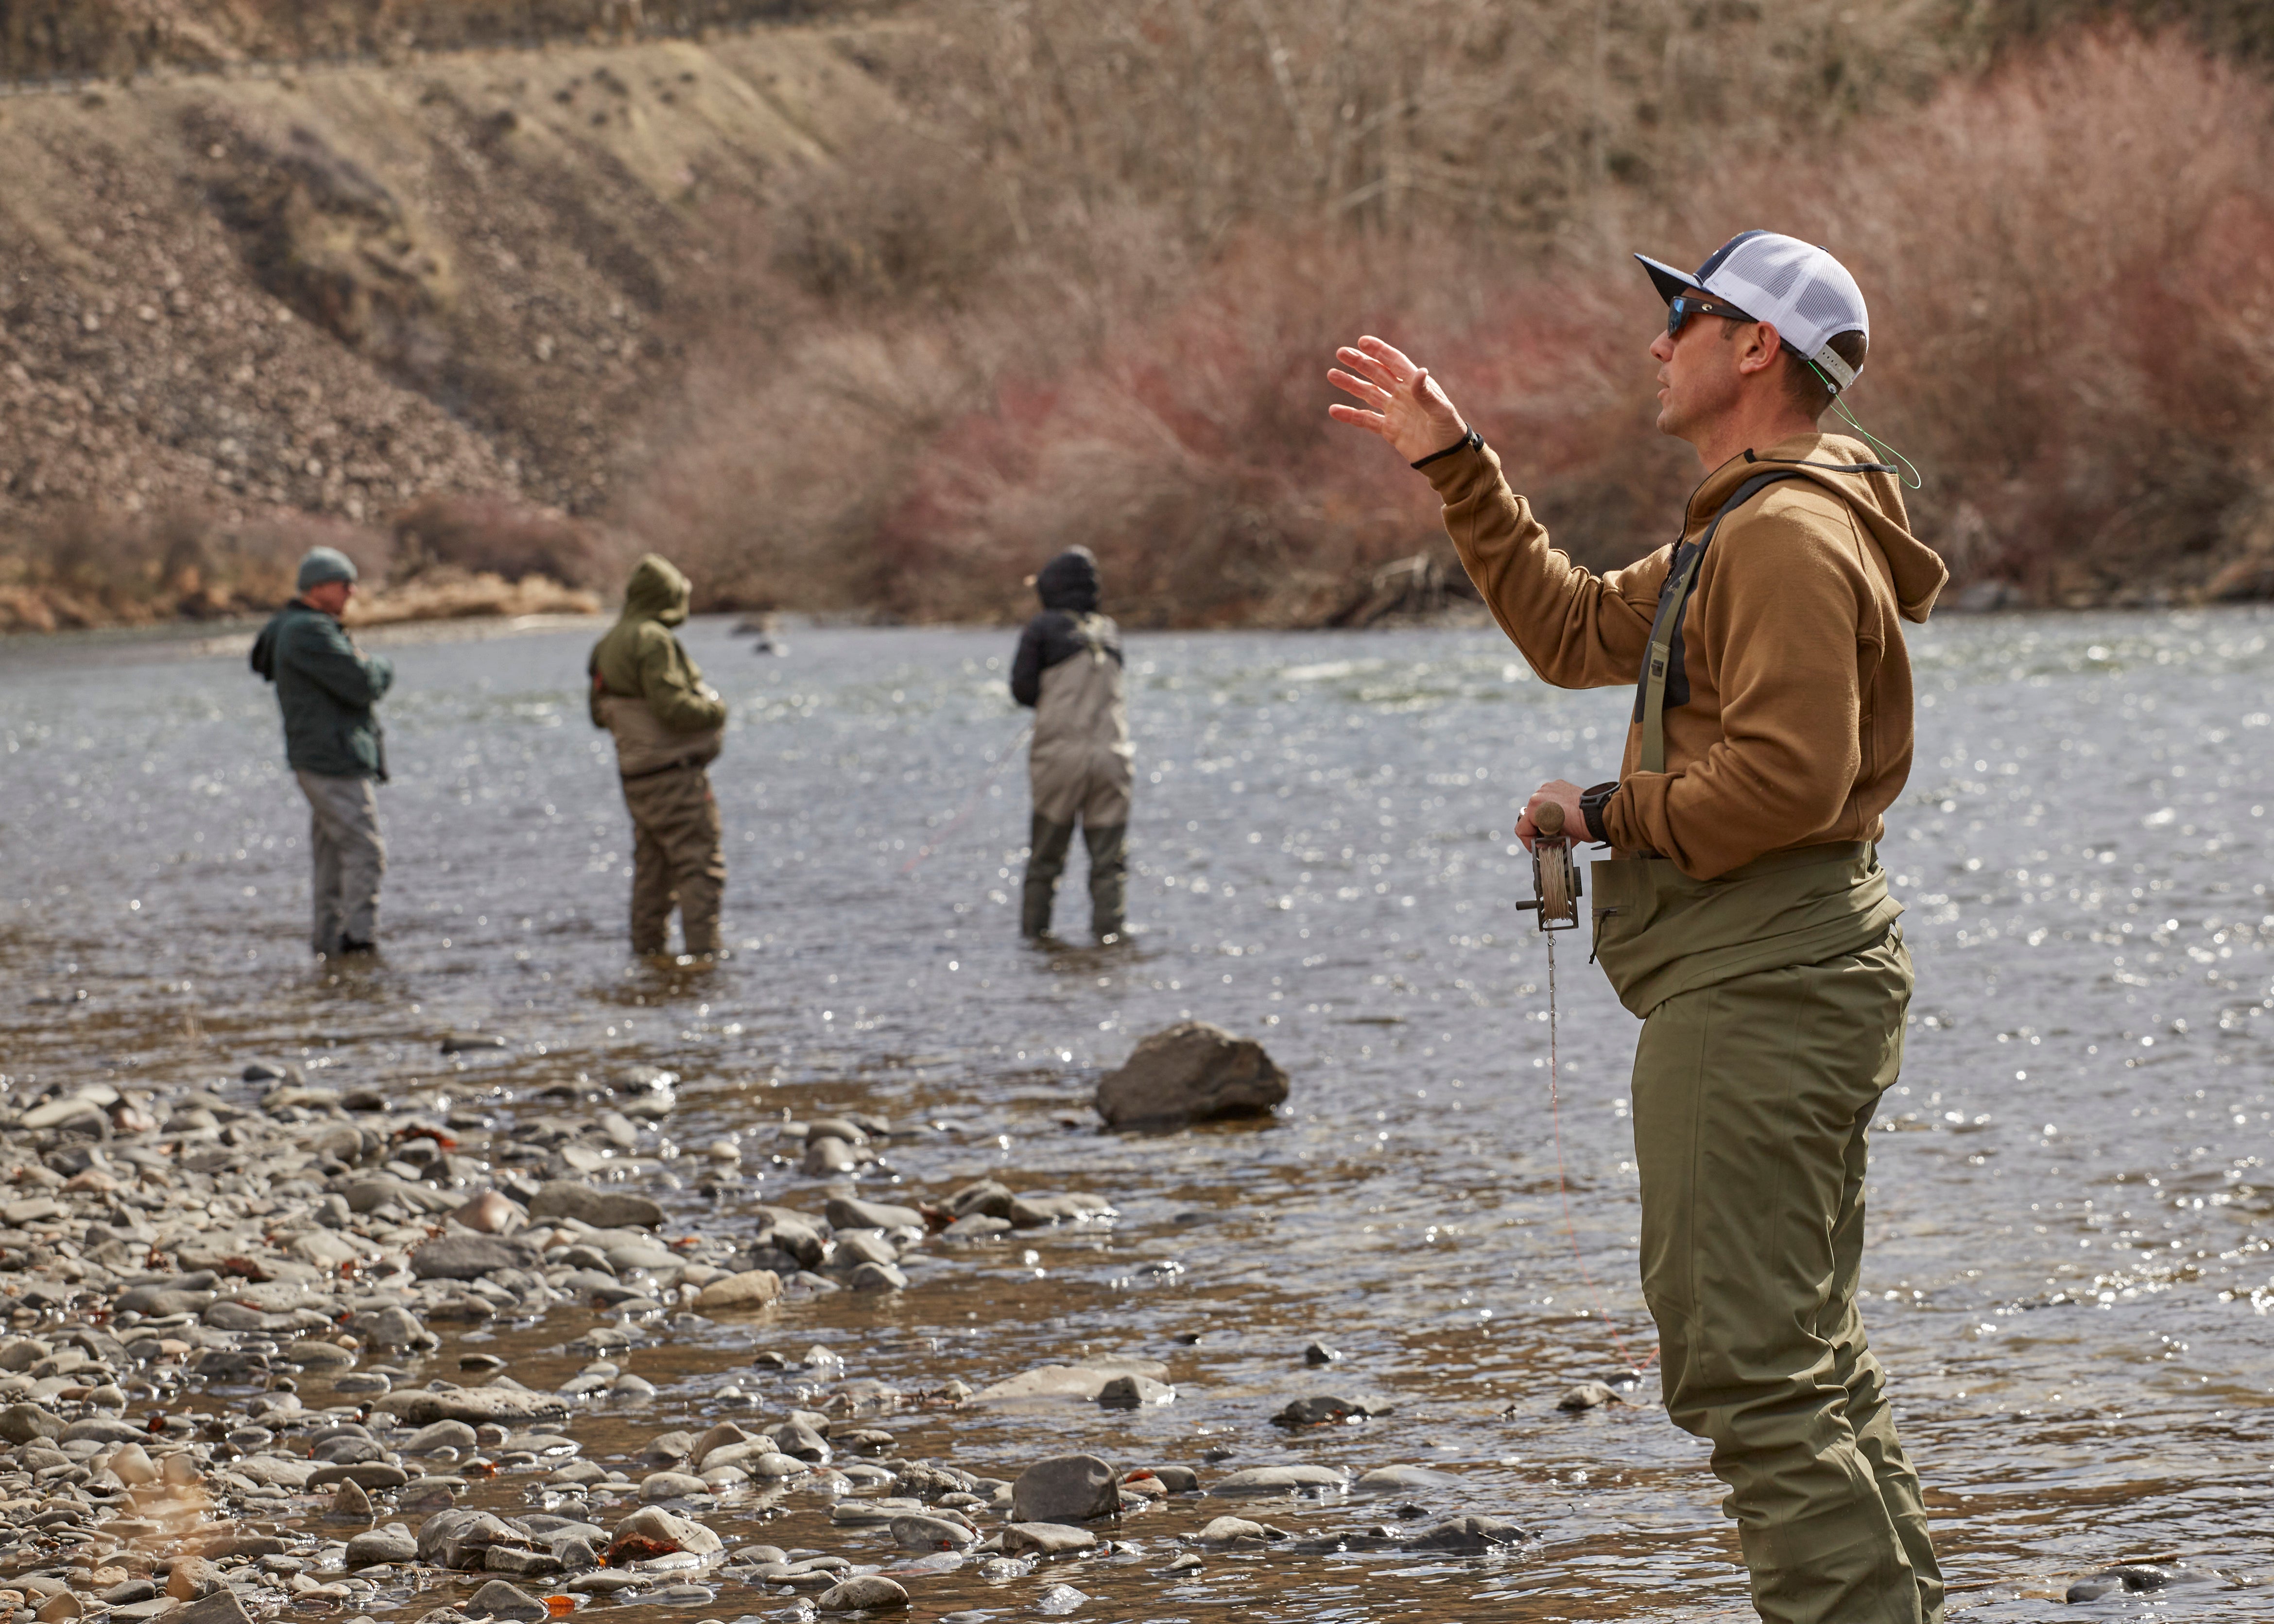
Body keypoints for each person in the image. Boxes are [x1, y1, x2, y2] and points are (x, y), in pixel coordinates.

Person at [1329, 230, 1950, 1624]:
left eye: (1685, 313)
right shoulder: (1737, 526)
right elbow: (1563, 628)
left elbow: (1793, 776)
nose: (1657, 338)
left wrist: (1608, 805)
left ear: (1755, 349)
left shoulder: (1784, 534)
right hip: (1773, 972)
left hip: (1762, 983)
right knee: (1805, 1350)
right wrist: (1458, 462)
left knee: (1749, 1363)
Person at [250, 546, 394, 957]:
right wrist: (379, 664)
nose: (353, 591)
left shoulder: (290, 627)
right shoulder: (308, 632)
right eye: (343, 583)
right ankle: (359, 944)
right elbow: (364, 681)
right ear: (317, 588)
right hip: (333, 761)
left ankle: (331, 948)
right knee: (366, 852)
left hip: (319, 759)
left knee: (332, 859)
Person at [589, 553, 727, 957]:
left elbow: (598, 714)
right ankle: (705, 960)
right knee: (700, 867)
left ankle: (648, 961)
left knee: (652, 871)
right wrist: (717, 708)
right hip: (675, 776)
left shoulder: (607, 643)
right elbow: (674, 709)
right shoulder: (653, 640)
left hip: (636, 778)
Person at [1010, 546, 1132, 942]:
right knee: (1109, 864)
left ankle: (1035, 941)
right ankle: (1109, 940)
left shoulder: (1041, 628)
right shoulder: (1110, 630)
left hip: (1058, 760)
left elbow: (1023, 690)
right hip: (1113, 759)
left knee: (1045, 861)